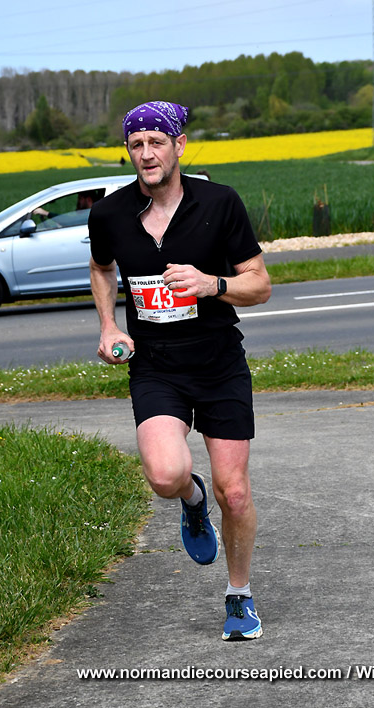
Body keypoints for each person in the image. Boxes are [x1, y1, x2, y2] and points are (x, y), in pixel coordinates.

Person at [88, 100, 271, 641]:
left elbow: (260, 284)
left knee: (234, 492)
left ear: (179, 146)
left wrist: (212, 283)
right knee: (166, 475)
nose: (147, 153)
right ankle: (192, 501)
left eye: (157, 142)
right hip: (156, 366)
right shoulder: (110, 214)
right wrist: (108, 325)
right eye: (136, 144)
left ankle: (239, 596)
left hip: (218, 364)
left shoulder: (219, 203)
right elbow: (101, 267)